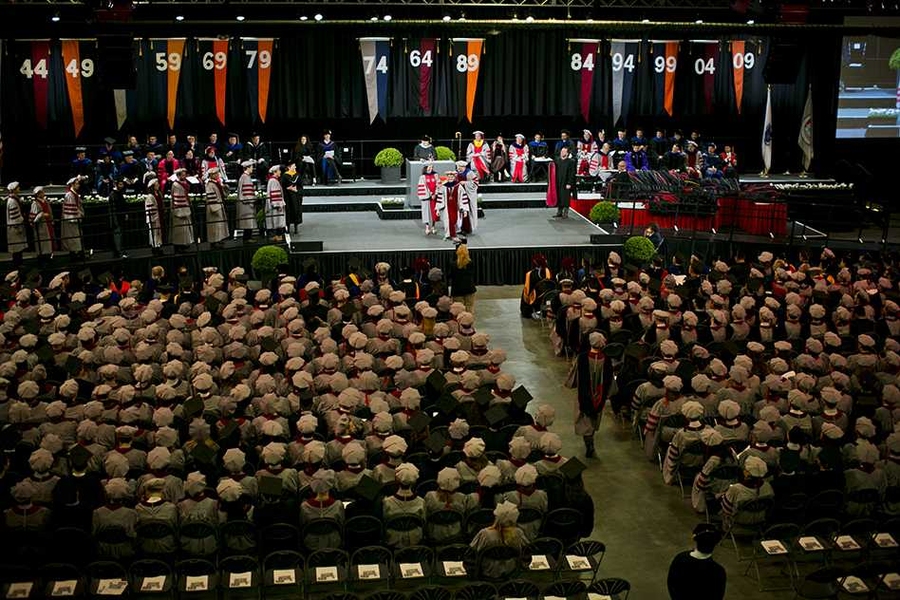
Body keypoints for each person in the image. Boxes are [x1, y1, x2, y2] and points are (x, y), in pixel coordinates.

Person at [571, 332, 613, 458]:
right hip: (599, 395)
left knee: (585, 421)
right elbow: (610, 380)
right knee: (593, 420)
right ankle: (590, 441)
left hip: (584, 394)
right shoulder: (607, 359)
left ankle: (589, 443)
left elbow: (574, 377)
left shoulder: (582, 358)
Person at [666, 523, 727, 600]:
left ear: (694, 538)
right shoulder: (719, 571)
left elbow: (672, 585)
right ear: (716, 543)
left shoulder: (680, 559)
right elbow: (718, 596)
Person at [170, 167, 195, 250]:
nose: (184, 176)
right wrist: (181, 210)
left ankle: (185, 243)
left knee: (186, 228)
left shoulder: (184, 183)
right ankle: (179, 245)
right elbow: (177, 199)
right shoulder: (176, 185)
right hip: (179, 210)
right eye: (183, 175)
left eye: (185, 174)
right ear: (178, 175)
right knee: (180, 229)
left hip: (185, 207)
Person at [61, 176, 86, 258]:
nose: (78, 185)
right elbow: (70, 210)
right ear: (72, 184)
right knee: (72, 238)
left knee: (76, 238)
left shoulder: (75, 194)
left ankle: (78, 254)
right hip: (71, 221)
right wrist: (78, 216)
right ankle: (74, 255)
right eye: (77, 184)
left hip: (76, 220)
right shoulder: (69, 195)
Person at [205, 168, 230, 247]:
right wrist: (215, 208)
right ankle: (214, 242)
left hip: (219, 205)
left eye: (217, 173)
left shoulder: (216, 183)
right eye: (216, 174)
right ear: (211, 175)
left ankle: (219, 239)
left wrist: (225, 188)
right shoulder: (209, 184)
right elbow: (211, 197)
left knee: (219, 225)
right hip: (214, 207)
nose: (217, 175)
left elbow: (224, 195)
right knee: (214, 225)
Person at [449, 243, 476, 315]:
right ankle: (469, 324)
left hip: (457, 291)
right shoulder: (471, 263)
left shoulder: (453, 265)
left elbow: (450, 276)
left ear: (457, 253)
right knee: (469, 309)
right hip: (469, 289)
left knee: (458, 310)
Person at [29, 186, 55, 261]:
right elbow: (33, 218)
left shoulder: (45, 202)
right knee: (42, 244)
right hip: (41, 227)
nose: (44, 193)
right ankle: (42, 258)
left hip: (48, 224)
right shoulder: (35, 203)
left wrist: (51, 219)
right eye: (42, 192)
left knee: (48, 243)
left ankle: (49, 256)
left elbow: (50, 212)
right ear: (38, 194)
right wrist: (42, 214)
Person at [436, 170, 462, 242]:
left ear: (454, 177)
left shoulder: (458, 186)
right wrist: (438, 209)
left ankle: (451, 235)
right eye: (449, 176)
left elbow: (463, 197)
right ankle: (452, 236)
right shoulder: (443, 186)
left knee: (454, 221)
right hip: (446, 208)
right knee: (448, 221)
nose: (450, 178)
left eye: (452, 176)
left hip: (455, 207)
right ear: (447, 177)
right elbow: (440, 197)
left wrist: (464, 209)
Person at [551, 146, 576, 219]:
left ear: (567, 153)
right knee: (559, 196)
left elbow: (572, 173)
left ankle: (565, 212)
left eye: (564, 151)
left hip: (566, 182)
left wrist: (569, 183)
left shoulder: (571, 162)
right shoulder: (557, 160)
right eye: (562, 151)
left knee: (565, 197)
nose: (562, 153)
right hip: (558, 181)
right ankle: (559, 212)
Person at [5, 182, 27, 266]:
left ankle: (19, 263)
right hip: (15, 227)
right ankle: (17, 264)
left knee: (18, 247)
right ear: (14, 190)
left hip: (17, 226)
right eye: (18, 188)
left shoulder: (15, 199)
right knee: (16, 248)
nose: (19, 189)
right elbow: (14, 216)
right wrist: (19, 224)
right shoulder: (12, 201)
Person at [108, 178, 129, 259]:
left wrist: (125, 214)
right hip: (116, 219)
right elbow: (112, 210)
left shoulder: (119, 193)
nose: (122, 186)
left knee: (121, 236)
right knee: (117, 236)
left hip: (121, 218)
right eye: (120, 184)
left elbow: (123, 205)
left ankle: (121, 252)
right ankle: (119, 253)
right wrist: (115, 222)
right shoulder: (112, 195)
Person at [416, 163, 439, 236]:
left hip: (434, 197)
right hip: (426, 197)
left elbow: (438, 185)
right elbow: (423, 186)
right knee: (426, 212)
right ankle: (427, 227)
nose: (430, 169)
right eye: (429, 167)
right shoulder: (422, 177)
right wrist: (431, 194)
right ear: (425, 168)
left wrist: (435, 193)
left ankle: (433, 227)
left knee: (434, 212)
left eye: (432, 167)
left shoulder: (436, 175)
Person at [237, 160, 258, 241]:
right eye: (251, 167)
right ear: (247, 168)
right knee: (248, 222)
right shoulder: (246, 177)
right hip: (247, 204)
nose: (252, 169)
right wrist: (252, 200)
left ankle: (248, 237)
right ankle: (247, 238)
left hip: (246, 203)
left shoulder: (244, 177)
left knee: (248, 222)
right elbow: (247, 193)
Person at [265, 165, 287, 242]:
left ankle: (277, 235)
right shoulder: (273, 181)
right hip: (276, 206)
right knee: (277, 220)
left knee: (276, 220)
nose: (280, 172)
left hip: (275, 205)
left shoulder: (273, 180)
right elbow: (275, 195)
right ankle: (277, 236)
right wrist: (278, 204)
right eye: (279, 170)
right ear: (275, 172)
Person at [282, 161, 303, 234]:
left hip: (295, 197)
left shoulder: (297, 175)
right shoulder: (284, 176)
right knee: (288, 212)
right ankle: (287, 227)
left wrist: (297, 190)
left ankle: (296, 227)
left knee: (296, 211)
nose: (295, 167)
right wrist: (288, 188)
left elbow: (301, 187)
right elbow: (282, 187)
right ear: (289, 167)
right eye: (294, 166)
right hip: (287, 197)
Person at [144, 178, 164, 253]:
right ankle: (155, 247)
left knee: (158, 233)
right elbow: (150, 208)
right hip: (154, 218)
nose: (158, 185)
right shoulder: (150, 196)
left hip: (159, 216)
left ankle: (158, 246)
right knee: (154, 233)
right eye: (156, 184)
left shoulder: (158, 194)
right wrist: (155, 217)